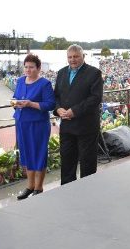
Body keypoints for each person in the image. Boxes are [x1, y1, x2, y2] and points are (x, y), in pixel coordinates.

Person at [53, 45, 104, 185]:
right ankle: (67, 192)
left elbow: (95, 98)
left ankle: (87, 192)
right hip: (67, 127)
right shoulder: (62, 73)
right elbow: (56, 96)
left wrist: (74, 111)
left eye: (76, 56)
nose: (73, 60)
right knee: (67, 162)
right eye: (70, 57)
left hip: (86, 126)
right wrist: (58, 109)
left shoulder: (94, 73)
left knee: (87, 163)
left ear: (83, 56)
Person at [13, 54, 56, 199]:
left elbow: (50, 104)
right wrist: (15, 102)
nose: (28, 70)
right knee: (26, 153)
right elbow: (15, 97)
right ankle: (29, 185)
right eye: (26, 67)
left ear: (38, 68)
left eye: (31, 67)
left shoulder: (44, 84)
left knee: (38, 153)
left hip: (38, 124)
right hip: (21, 122)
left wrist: (30, 104)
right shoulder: (20, 81)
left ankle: (39, 186)